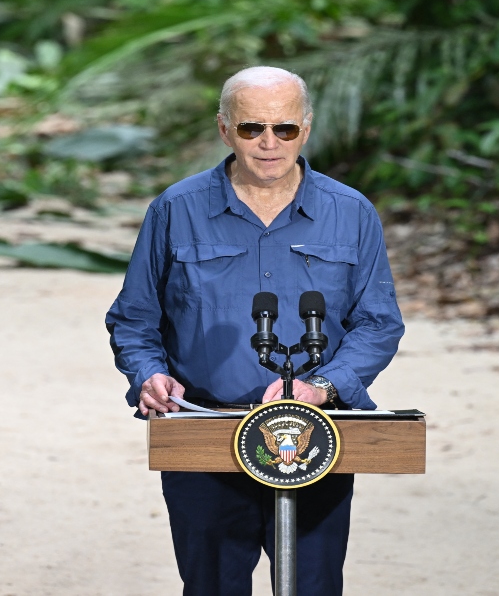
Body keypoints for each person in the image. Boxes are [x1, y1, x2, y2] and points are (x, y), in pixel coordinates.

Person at [106, 66, 404, 595]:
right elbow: (135, 319)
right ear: (225, 129)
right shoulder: (177, 209)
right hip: (204, 433)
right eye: (252, 129)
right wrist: (149, 374)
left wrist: (323, 386)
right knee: (212, 586)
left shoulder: (351, 212)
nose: (270, 143)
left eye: (284, 129)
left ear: (305, 129)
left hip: (315, 435)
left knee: (311, 586)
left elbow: (378, 324)